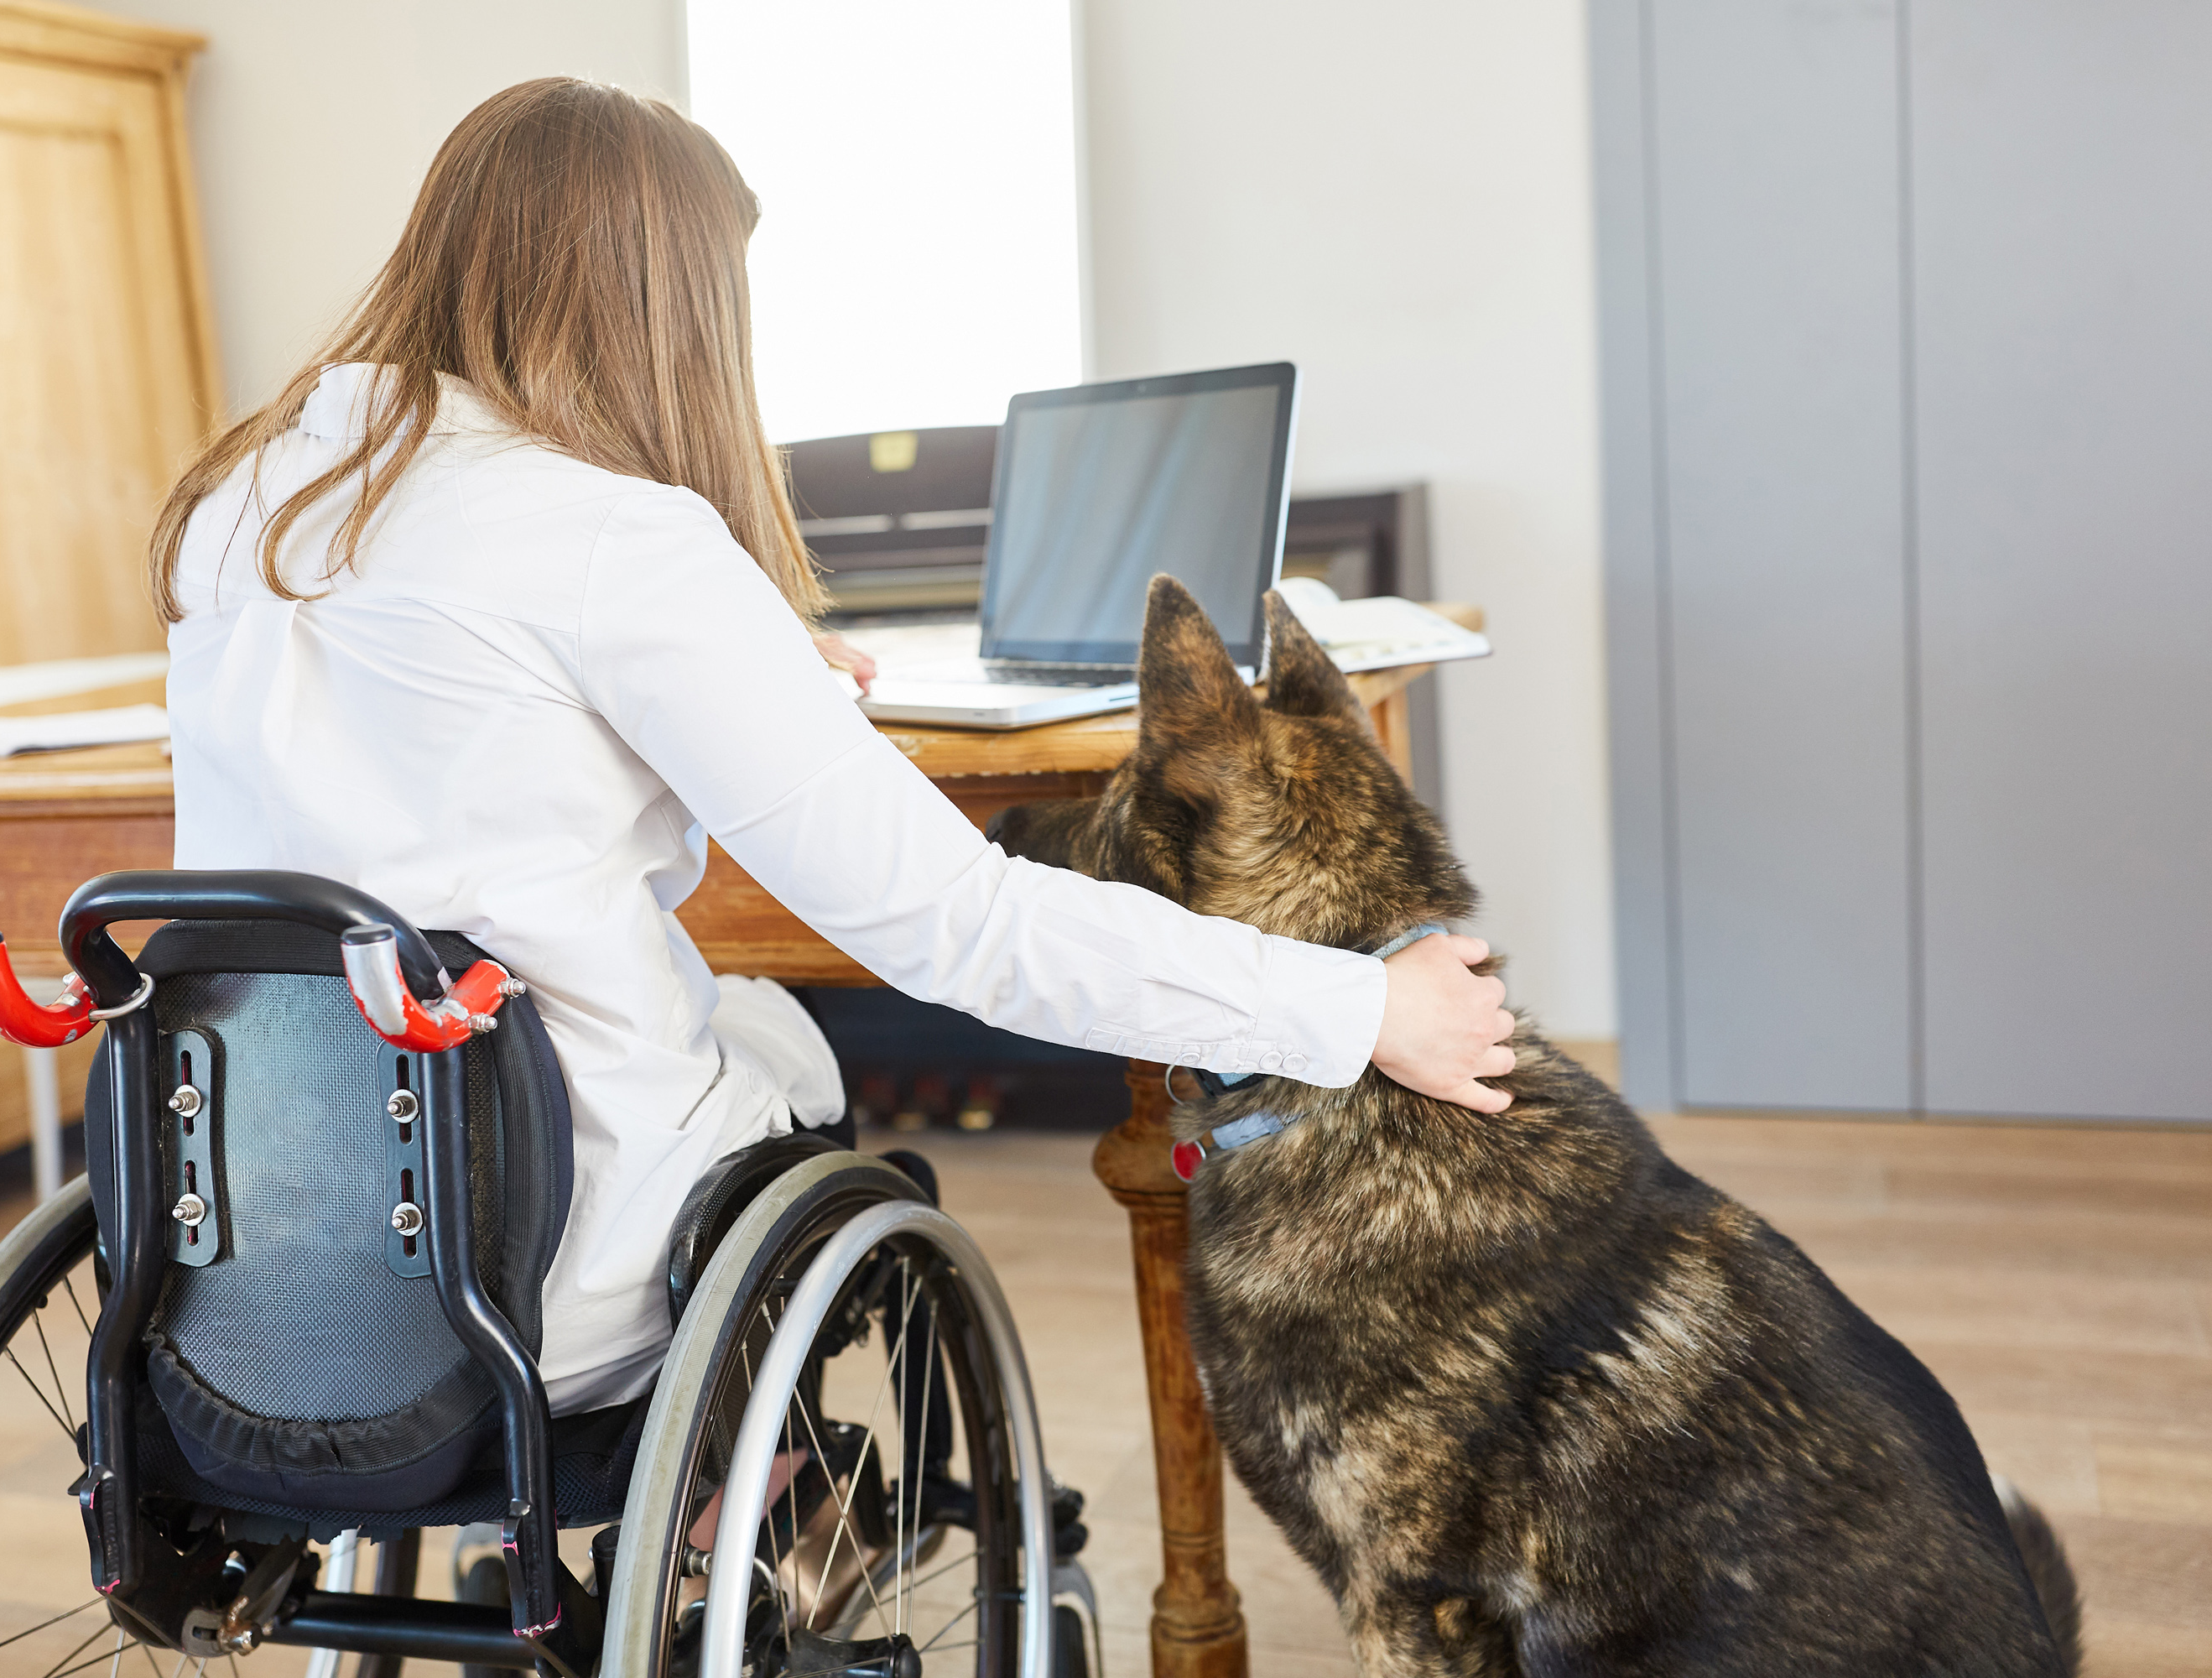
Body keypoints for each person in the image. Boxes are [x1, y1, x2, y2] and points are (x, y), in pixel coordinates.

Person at [152, 77, 1517, 1414]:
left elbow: (439, 706)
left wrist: (728, 663)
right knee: (783, 1041)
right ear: (665, 307)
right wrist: (1364, 1009)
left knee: (732, 1027)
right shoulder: (610, 538)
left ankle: (710, 1509)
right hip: (531, 1265)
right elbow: (957, 926)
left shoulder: (243, 500)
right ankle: (746, 1498)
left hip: (257, 1256)